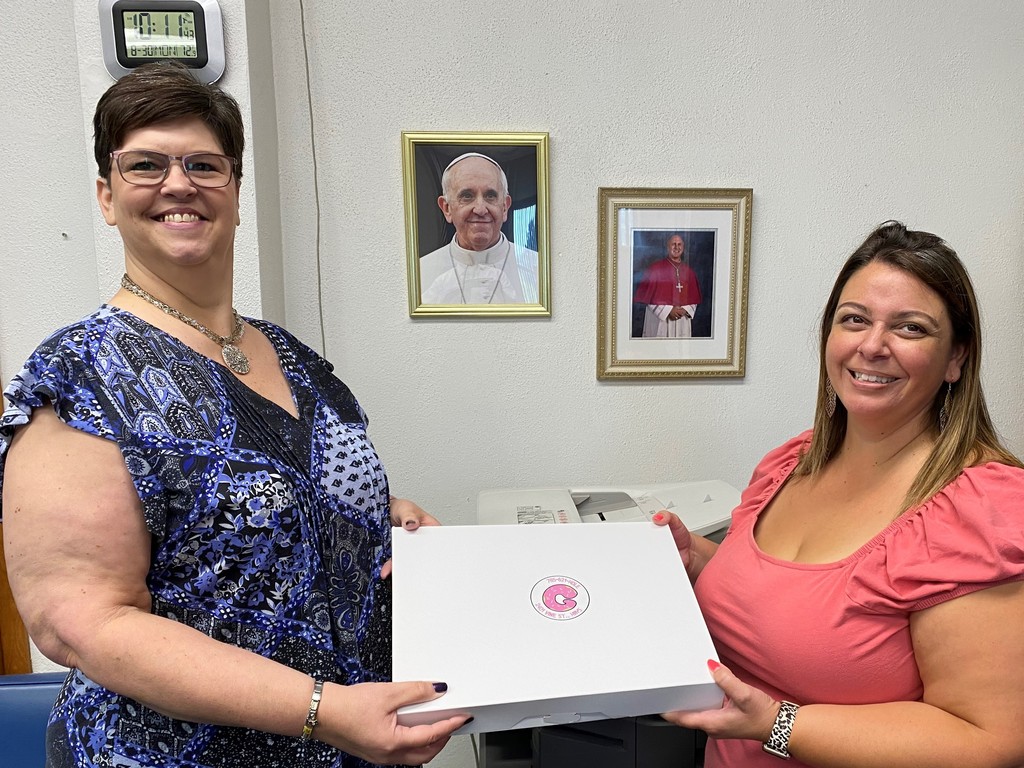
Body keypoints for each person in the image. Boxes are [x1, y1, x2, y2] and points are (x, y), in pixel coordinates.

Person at [0, 61, 469, 768]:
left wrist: (381, 517)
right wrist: (324, 711)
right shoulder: (77, 375)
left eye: (204, 165)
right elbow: (82, 622)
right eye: (145, 165)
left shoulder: (293, 357)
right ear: (106, 196)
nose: (178, 183)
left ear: (236, 193)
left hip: (354, 742)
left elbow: (267, 501)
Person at [654, 221, 1024, 767]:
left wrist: (778, 724)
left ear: (956, 358)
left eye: (910, 328)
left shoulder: (978, 510)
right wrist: (697, 561)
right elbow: (793, 601)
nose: (872, 346)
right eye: (854, 320)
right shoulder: (792, 463)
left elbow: (990, 741)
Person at [419, 152, 539, 305]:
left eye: (490, 196)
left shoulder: (537, 270)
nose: (480, 209)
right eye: (467, 196)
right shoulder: (420, 274)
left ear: (504, 207)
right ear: (447, 208)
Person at [633, 233, 702, 337]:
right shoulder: (655, 269)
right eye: (673, 244)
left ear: (683, 247)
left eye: (679, 244)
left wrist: (685, 309)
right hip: (660, 321)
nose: (677, 247)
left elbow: (693, 298)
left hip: (682, 319)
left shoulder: (689, 272)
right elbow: (648, 297)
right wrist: (668, 311)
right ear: (667, 246)